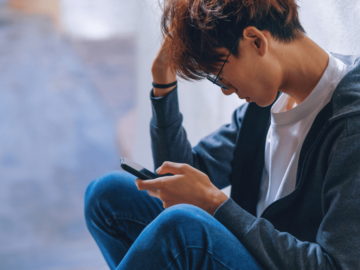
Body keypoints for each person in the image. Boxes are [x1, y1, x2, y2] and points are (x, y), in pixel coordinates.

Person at [84, 0, 360, 269]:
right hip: (247, 252)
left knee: (183, 228)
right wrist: (162, 83)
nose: (226, 90)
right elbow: (179, 176)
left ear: (255, 41)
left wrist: (217, 204)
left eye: (219, 75)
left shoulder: (350, 123)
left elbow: (338, 264)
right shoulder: (266, 106)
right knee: (108, 194)